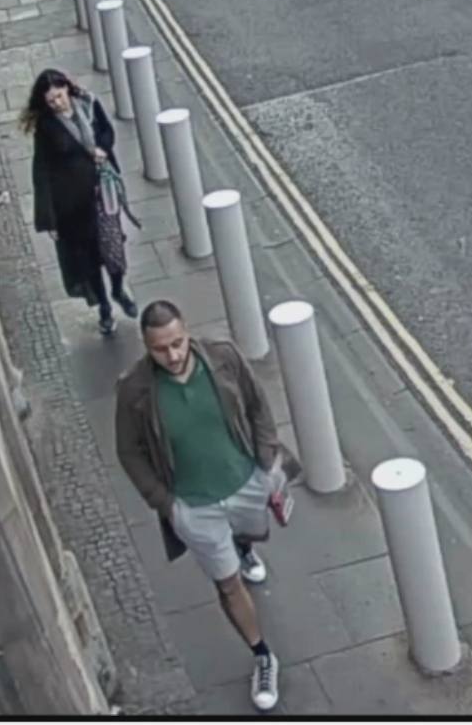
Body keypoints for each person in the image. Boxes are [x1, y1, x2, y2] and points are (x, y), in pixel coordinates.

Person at [115, 300, 301, 712]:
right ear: (147, 347)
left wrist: (267, 458)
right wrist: (167, 505)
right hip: (195, 508)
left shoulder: (223, 357)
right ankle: (262, 656)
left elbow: (257, 405)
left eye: (178, 343)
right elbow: (129, 451)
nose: (174, 355)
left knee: (251, 528)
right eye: (161, 349)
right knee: (228, 583)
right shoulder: (134, 390)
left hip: (246, 481)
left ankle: (246, 547)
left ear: (188, 333)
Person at [24, 68, 137, 336]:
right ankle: (105, 309)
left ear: (67, 89)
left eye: (60, 97)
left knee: (113, 251)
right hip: (72, 206)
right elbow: (41, 170)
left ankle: (119, 288)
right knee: (90, 260)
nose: (57, 104)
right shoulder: (46, 126)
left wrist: (102, 149)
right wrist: (48, 218)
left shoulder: (89, 103)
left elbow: (107, 132)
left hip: (102, 195)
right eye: (51, 101)